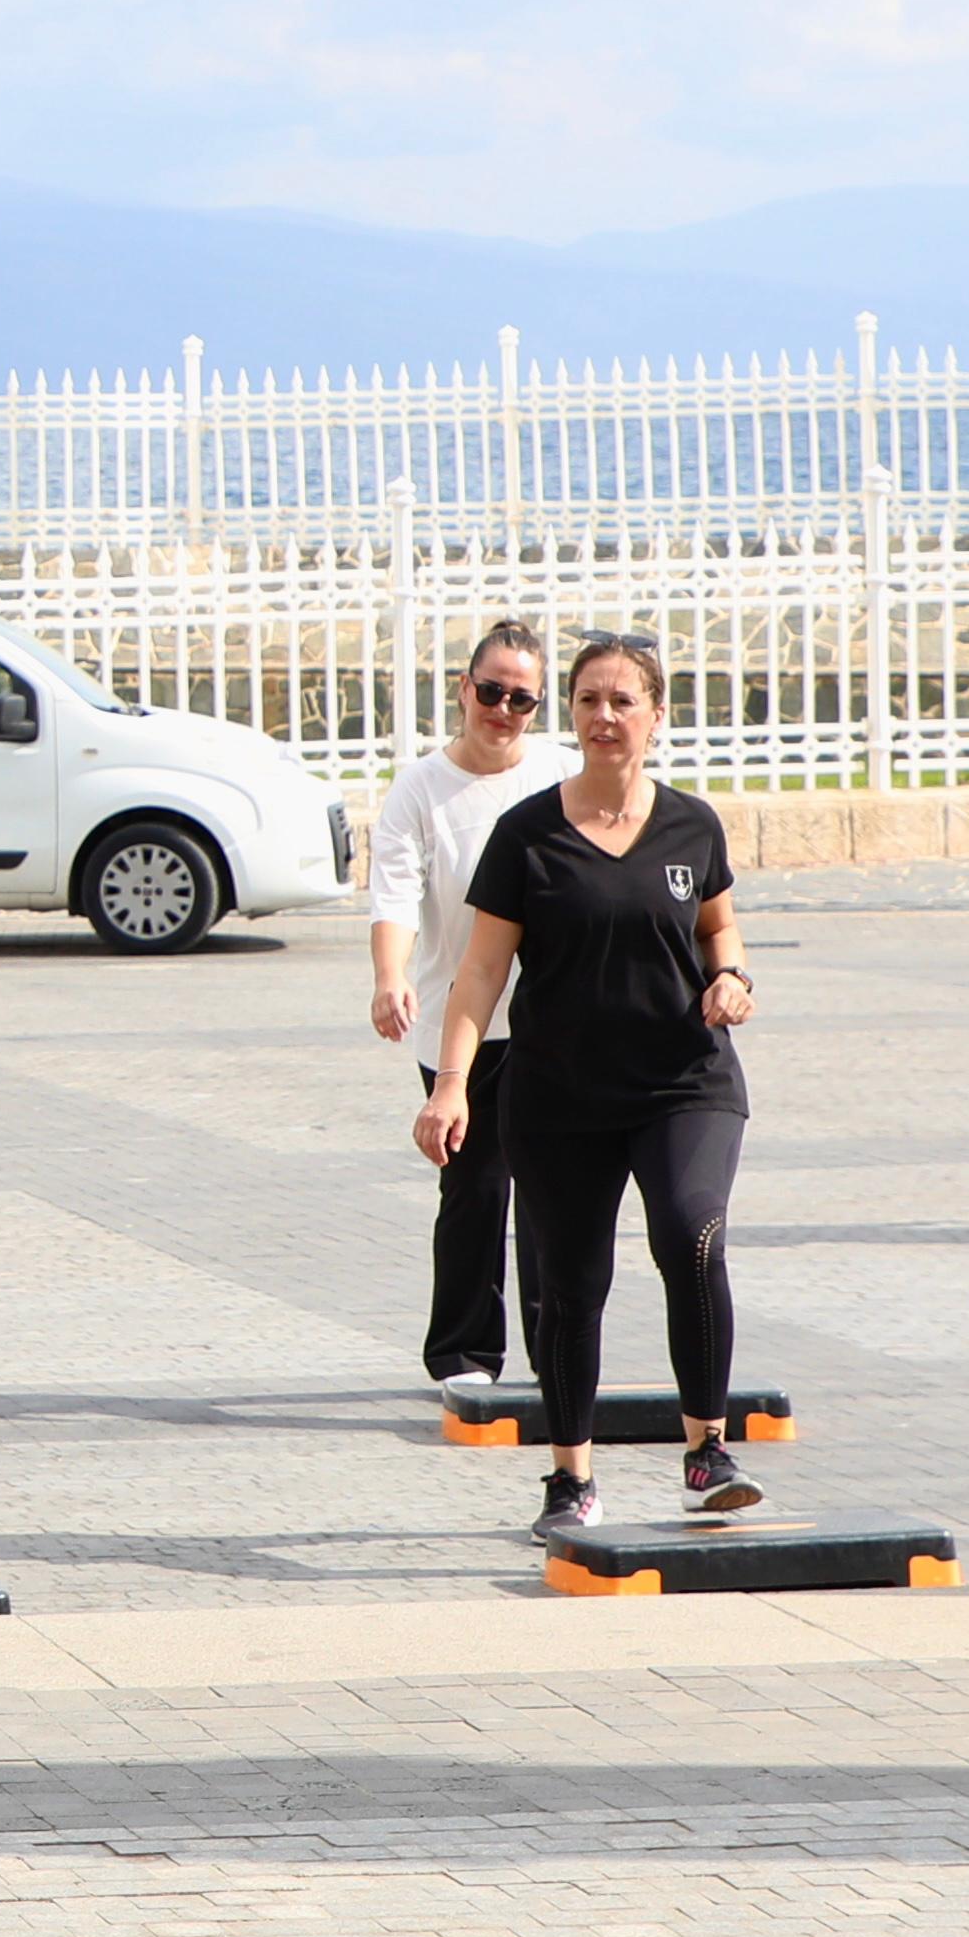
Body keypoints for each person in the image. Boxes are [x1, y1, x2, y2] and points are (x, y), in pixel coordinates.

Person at [421, 632, 760, 1534]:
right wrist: (452, 1083)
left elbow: (719, 929)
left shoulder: (692, 825)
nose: (603, 717)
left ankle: (706, 1450)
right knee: (571, 1283)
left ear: (656, 715)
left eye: (622, 701)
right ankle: (571, 1478)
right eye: (587, 701)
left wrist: (733, 978)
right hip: (559, 1093)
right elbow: (481, 974)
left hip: (683, 1081)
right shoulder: (526, 835)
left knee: (692, 1233)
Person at [368, 619, 564, 1393]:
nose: (503, 710)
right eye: (491, 692)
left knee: (553, 1189)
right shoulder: (421, 789)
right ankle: (463, 1355)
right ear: (463, 689)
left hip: (552, 1017)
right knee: (477, 1184)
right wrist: (390, 977)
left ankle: (560, 1351)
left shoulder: (557, 776)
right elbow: (393, 896)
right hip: (461, 1026)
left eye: (521, 699)